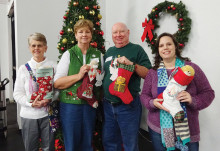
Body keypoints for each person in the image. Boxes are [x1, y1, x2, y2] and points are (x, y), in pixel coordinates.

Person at [140, 32, 215, 151]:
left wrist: (193, 99)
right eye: (161, 45)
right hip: (158, 132)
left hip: (188, 133)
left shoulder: (190, 69)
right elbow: (144, 95)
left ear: (175, 46)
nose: (165, 47)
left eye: (169, 44)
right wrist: (152, 103)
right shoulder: (152, 73)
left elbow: (209, 93)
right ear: (158, 50)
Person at [54, 19, 103, 151]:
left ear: (91, 34)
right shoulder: (68, 54)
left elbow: (102, 80)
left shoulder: (98, 54)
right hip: (70, 106)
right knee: (71, 143)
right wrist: (79, 76)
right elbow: (57, 83)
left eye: (87, 31)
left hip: (90, 105)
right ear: (75, 35)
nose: (84, 34)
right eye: (80, 32)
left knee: (88, 141)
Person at [102, 22, 152, 151]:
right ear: (112, 35)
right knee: (110, 142)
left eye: (122, 31)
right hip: (108, 105)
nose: (118, 35)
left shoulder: (136, 49)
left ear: (128, 32)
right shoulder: (109, 52)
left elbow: (149, 75)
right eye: (115, 32)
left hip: (128, 107)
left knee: (130, 144)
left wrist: (133, 65)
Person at [13, 32, 56, 151]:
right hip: (28, 115)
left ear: (45, 48)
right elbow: (17, 94)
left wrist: (51, 98)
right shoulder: (23, 69)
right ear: (29, 48)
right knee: (30, 148)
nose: (36, 48)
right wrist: (31, 103)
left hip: (48, 114)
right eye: (33, 45)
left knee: (49, 148)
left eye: (40, 45)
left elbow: (58, 89)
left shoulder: (53, 66)